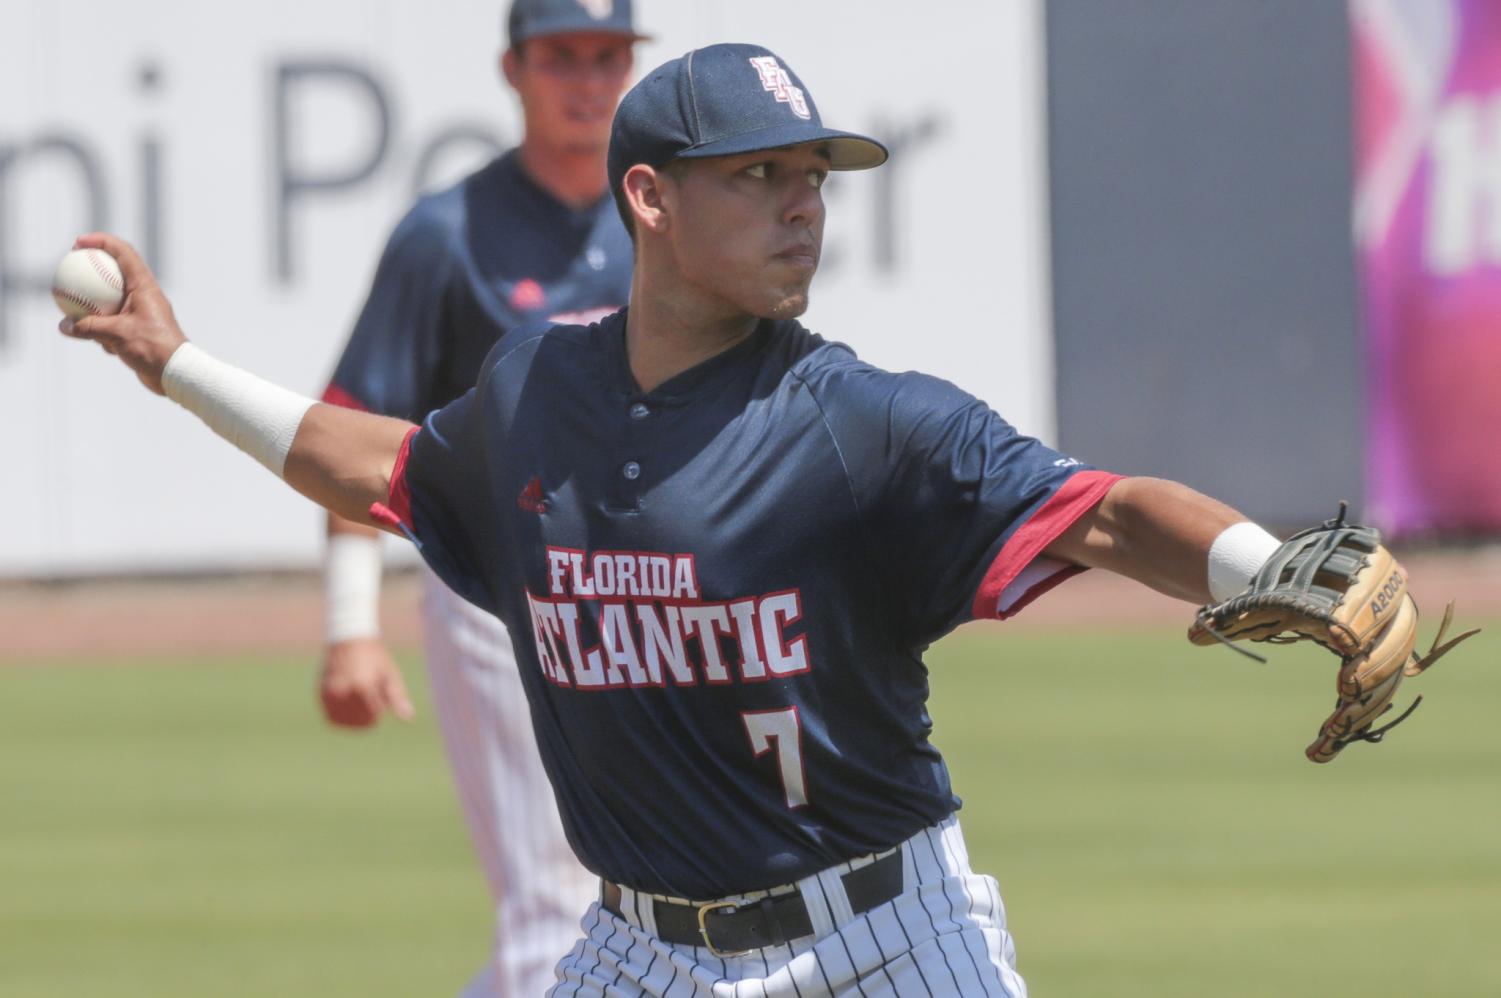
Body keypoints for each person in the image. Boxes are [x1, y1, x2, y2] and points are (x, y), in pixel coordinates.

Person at [61, 42, 1288, 997]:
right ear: (648, 197)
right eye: (757, 175)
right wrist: (175, 363)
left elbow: (1109, 515)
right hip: (640, 951)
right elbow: (370, 462)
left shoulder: (860, 421)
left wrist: (1271, 562)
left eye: (811, 178)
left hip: (886, 940)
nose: (800, 205)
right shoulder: (531, 393)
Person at [315, 2, 643, 994]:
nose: (585, 79)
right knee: (552, 904)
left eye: (607, 55)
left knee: (626, 896)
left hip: (644, 585)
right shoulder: (447, 234)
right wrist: (349, 624)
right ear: (514, 69)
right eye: (560, 57)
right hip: (496, 591)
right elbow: (351, 422)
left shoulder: (664, 220)